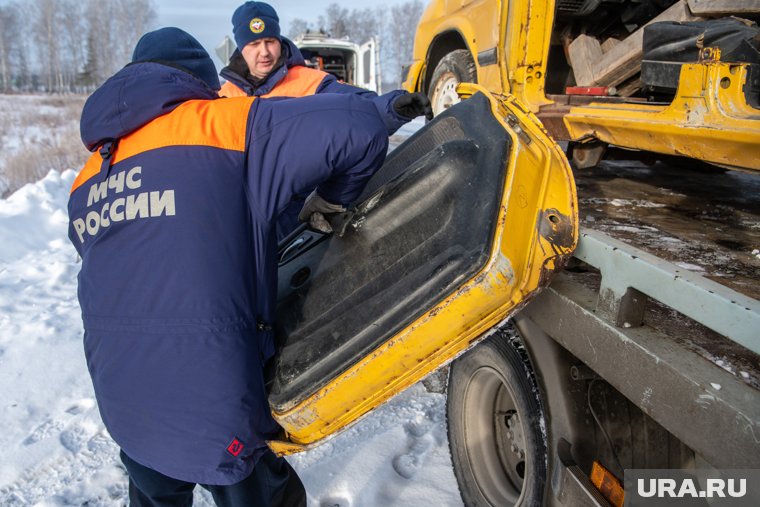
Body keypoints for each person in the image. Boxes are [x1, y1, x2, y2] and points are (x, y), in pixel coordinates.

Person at [68, 27, 394, 507]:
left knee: (154, 482)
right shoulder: (225, 124)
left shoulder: (87, 177)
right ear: (200, 83)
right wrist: (329, 203)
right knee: (257, 486)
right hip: (216, 412)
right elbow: (359, 129)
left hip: (124, 412)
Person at [220, 1, 432, 239]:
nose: (265, 52)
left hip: (300, 212)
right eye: (254, 44)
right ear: (240, 48)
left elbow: (357, 110)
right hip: (246, 217)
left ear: (280, 41)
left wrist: (392, 108)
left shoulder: (310, 82)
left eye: (270, 41)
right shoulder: (223, 98)